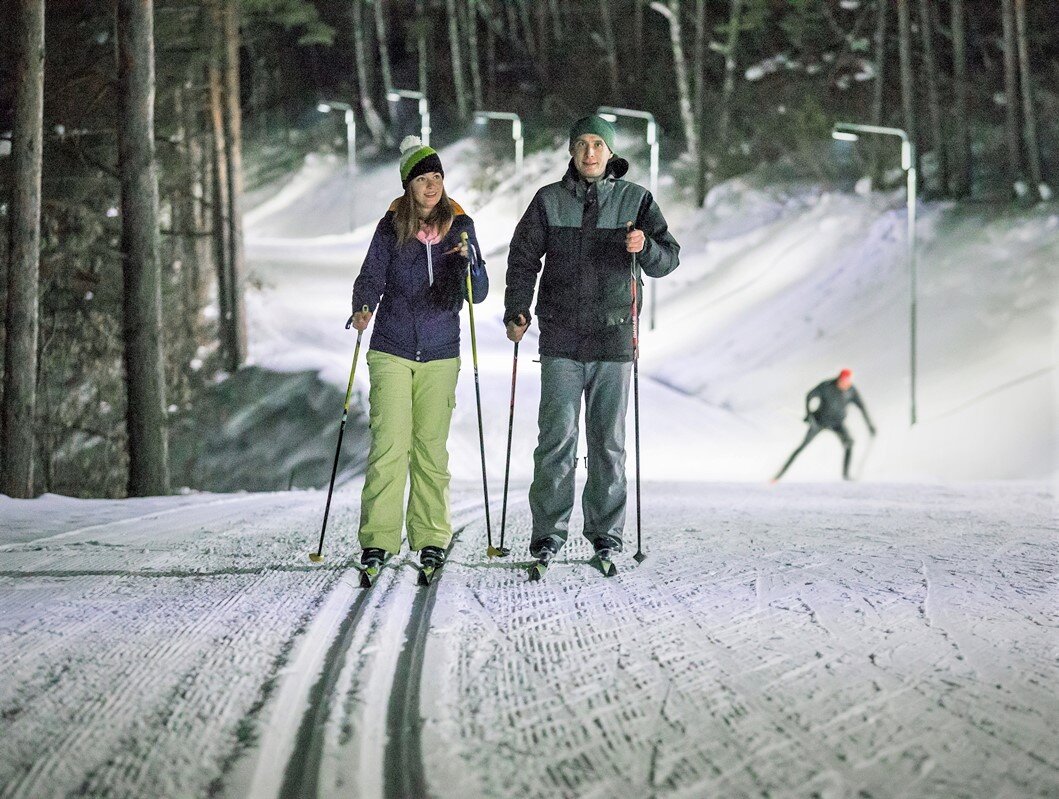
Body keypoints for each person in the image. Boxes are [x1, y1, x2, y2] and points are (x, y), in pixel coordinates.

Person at [504, 115, 680, 563]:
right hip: (560, 338)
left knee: (608, 442)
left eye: (598, 144)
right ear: (571, 150)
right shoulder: (548, 200)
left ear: (611, 151)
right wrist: (517, 309)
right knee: (556, 440)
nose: (589, 152)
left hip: (615, 339)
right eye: (581, 143)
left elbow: (668, 259)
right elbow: (524, 259)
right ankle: (548, 532)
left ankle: (606, 532)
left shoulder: (636, 201)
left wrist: (647, 248)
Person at [349, 136, 488, 571]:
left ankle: (430, 536)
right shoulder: (391, 226)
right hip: (391, 347)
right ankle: (378, 540)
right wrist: (362, 305)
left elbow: (479, 293)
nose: (432, 187)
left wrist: (470, 265)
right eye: (424, 179)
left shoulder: (461, 225)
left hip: (442, 351)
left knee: (431, 449)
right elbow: (371, 274)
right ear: (409, 185)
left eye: (438, 178)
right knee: (389, 446)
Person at [773, 368, 876, 482]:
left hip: (838, 423)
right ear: (838, 378)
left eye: (847, 381)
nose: (844, 383)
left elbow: (862, 407)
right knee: (801, 447)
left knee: (850, 443)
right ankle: (778, 476)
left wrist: (869, 425)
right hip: (819, 422)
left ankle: (846, 476)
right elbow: (809, 396)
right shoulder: (826, 386)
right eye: (842, 380)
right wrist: (809, 415)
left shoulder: (851, 390)